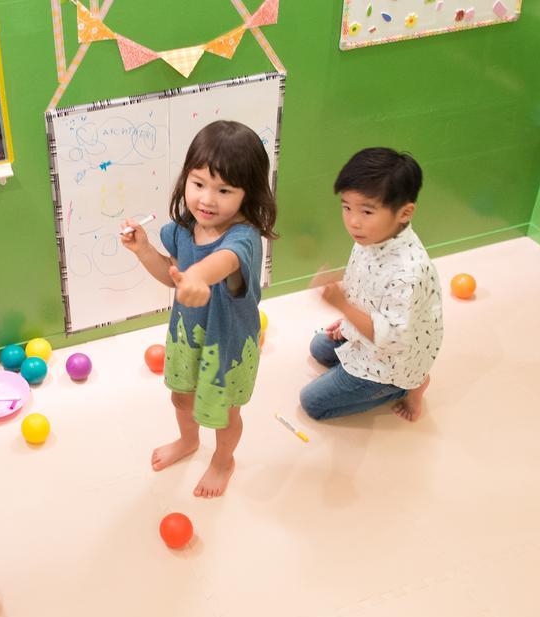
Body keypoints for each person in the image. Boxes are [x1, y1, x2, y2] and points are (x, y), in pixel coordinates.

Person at [120, 120, 276, 497]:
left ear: (247, 194)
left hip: (228, 346)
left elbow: (219, 263)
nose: (207, 199)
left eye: (224, 190)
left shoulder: (244, 239)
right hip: (186, 338)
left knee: (225, 414)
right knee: (181, 398)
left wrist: (198, 278)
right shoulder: (182, 228)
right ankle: (188, 442)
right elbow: (172, 274)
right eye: (198, 184)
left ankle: (224, 460)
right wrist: (143, 250)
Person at [302, 148, 443, 422]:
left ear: (404, 213)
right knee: (318, 347)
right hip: (368, 337)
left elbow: (389, 338)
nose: (353, 221)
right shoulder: (374, 236)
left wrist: (342, 306)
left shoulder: (408, 272)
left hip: (392, 360)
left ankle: (408, 385)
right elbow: (366, 289)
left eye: (367, 210)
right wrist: (347, 324)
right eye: (346, 207)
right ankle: (360, 371)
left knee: (312, 403)